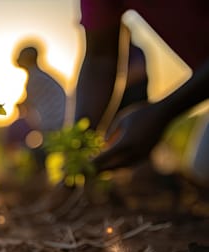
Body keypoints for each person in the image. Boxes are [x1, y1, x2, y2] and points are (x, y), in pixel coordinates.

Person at [75, 0, 209, 185]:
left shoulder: (137, 53)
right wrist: (77, 144)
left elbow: (136, 72)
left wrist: (163, 112)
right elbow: (99, 58)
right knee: (203, 170)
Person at [6, 43, 67, 169]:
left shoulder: (34, 79)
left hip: (53, 123)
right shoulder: (41, 77)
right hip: (58, 120)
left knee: (16, 132)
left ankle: (18, 167)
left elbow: (25, 108)